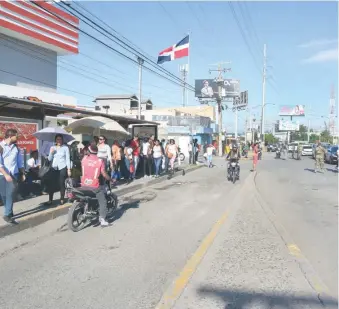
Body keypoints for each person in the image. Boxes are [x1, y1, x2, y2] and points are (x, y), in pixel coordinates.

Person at [80, 144, 113, 227]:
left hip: (83, 184)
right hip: (94, 186)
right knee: (103, 201)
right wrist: (110, 179)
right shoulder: (100, 161)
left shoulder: (84, 159)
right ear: (97, 152)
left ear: (89, 151)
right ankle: (102, 220)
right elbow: (104, 174)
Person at [0, 129, 25, 223]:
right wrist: (6, 175)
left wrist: (22, 173)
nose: (17, 137)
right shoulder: (1, 146)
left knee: (10, 193)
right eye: (16, 136)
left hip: (14, 174)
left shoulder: (16, 148)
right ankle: (9, 211)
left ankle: (7, 214)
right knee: (3, 195)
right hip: (2, 174)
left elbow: (20, 162)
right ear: (10, 136)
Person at [47, 134, 71, 206]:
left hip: (62, 167)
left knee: (61, 183)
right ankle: (50, 200)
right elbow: (49, 159)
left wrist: (68, 169)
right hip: (54, 167)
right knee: (51, 184)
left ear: (62, 140)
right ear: (55, 140)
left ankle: (62, 198)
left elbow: (67, 159)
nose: (59, 141)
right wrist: (51, 153)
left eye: (60, 139)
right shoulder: (52, 147)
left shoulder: (65, 148)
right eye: (57, 139)